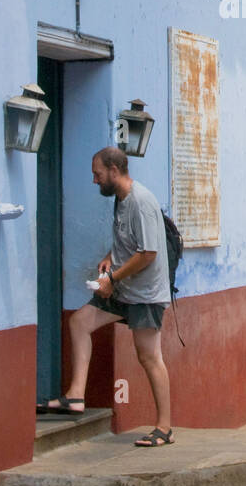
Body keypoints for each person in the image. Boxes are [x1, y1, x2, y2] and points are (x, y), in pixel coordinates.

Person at [42, 146, 174, 447]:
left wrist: (112, 277)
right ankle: (75, 395)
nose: (94, 180)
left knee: (149, 357)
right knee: (79, 323)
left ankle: (164, 427)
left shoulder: (141, 202)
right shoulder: (121, 199)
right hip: (122, 288)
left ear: (114, 171)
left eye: (97, 174)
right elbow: (129, 242)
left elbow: (149, 253)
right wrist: (109, 256)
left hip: (145, 295)